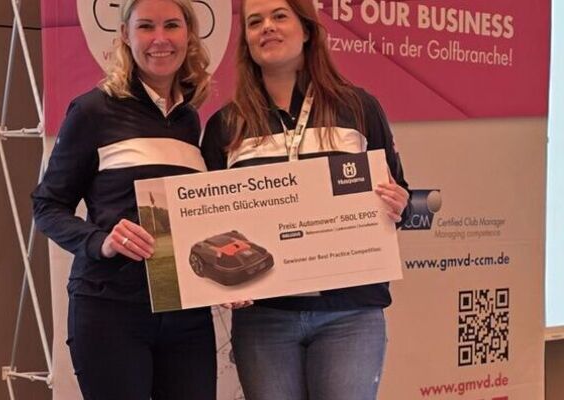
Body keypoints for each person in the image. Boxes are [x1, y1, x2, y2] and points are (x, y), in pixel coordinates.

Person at [200, 0, 411, 399]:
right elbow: (207, 221)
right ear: (246, 41)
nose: (267, 27)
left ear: (308, 30)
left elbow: (400, 197)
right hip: (265, 317)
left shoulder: (359, 108)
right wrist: (223, 287)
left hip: (349, 313)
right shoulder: (226, 125)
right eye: (255, 22)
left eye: (280, 16)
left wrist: (398, 205)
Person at [32, 1, 216, 398]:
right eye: (146, 26)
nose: (160, 39)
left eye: (172, 25)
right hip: (111, 309)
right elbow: (47, 206)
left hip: (185, 313)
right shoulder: (93, 110)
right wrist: (101, 241)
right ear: (125, 37)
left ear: (189, 35)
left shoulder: (189, 119)